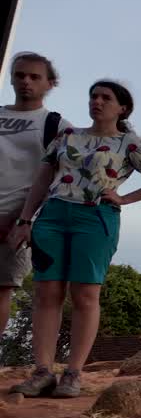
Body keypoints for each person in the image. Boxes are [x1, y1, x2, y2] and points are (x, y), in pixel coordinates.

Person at [9, 79, 141, 398]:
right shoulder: (68, 136)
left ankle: (73, 373)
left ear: (122, 108)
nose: (97, 102)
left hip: (95, 217)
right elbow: (43, 177)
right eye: (93, 96)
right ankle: (43, 371)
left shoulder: (129, 143)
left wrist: (125, 199)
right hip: (53, 215)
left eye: (105, 98)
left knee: (85, 294)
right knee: (46, 292)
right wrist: (26, 219)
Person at [0, 52, 65, 345]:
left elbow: (67, 175)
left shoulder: (56, 125)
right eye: (20, 75)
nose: (25, 81)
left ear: (50, 83)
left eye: (34, 77)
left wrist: (30, 220)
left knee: (2, 289)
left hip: (17, 220)